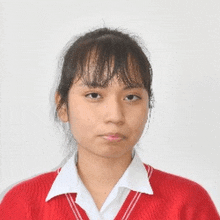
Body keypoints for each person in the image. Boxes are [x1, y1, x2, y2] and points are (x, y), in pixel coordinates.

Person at [0, 27, 219, 220]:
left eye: (131, 97)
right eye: (94, 95)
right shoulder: (23, 204)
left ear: (148, 104)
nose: (115, 116)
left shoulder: (188, 204)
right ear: (62, 106)